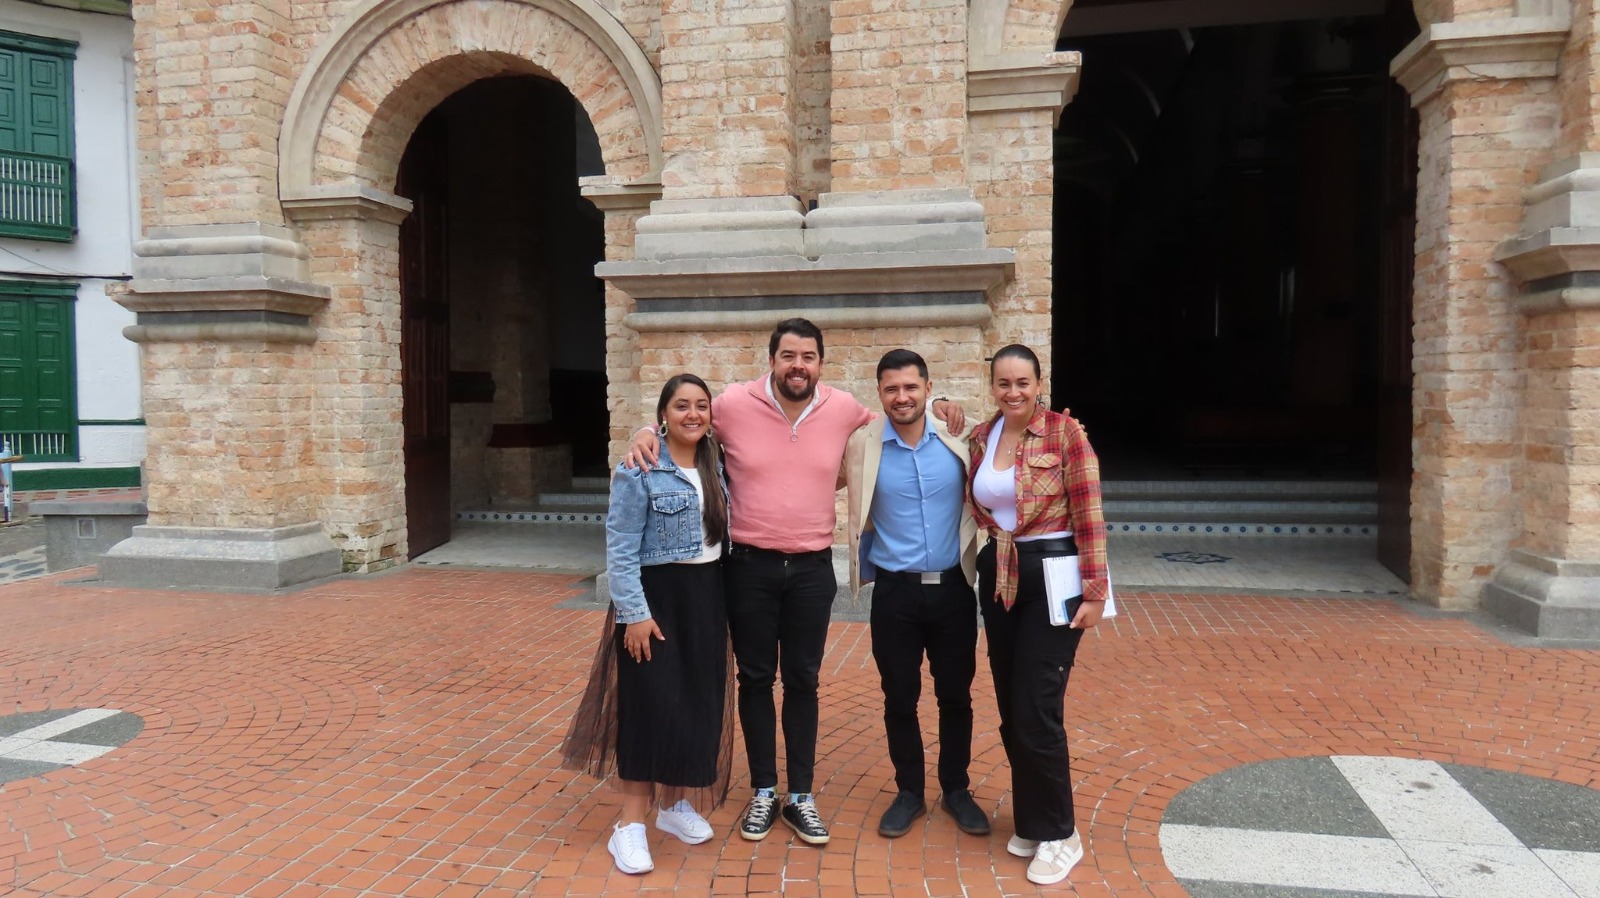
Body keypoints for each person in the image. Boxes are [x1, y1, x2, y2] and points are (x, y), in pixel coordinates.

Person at [627, 318, 964, 847]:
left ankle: (800, 795)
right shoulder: (734, 404)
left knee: (803, 681)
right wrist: (644, 430)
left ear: (821, 363)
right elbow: (686, 421)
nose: (798, 365)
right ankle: (764, 789)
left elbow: (901, 412)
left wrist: (942, 401)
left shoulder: (844, 410)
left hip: (811, 569)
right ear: (772, 360)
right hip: (748, 567)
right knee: (755, 680)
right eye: (788, 355)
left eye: (808, 356)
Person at [562, 374, 734, 875]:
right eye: (682, 406)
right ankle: (629, 826)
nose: (693, 414)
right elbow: (619, 545)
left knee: (697, 701)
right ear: (664, 414)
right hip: (656, 598)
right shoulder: (639, 466)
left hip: (706, 595)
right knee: (648, 705)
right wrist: (634, 613)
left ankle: (674, 806)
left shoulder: (715, 459)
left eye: (702, 405)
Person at [966, 344, 1108, 886]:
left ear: (1039, 381)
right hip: (1000, 572)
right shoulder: (983, 436)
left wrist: (1094, 590)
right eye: (1003, 383)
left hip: (1054, 572)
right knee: (1009, 701)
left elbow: (1089, 510)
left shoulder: (1065, 434)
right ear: (994, 387)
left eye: (1022, 382)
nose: (1013, 392)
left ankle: (1061, 832)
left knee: (1038, 705)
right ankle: (1031, 818)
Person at [843, 349, 989, 840]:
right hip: (894, 595)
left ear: (929, 389)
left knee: (956, 696)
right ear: (879, 393)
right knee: (898, 697)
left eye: (911, 387)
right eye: (891, 389)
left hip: (952, 590)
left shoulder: (959, 435)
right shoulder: (862, 443)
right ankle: (909, 792)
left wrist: (952, 403)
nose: (901, 397)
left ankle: (956, 790)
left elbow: (1014, 428)